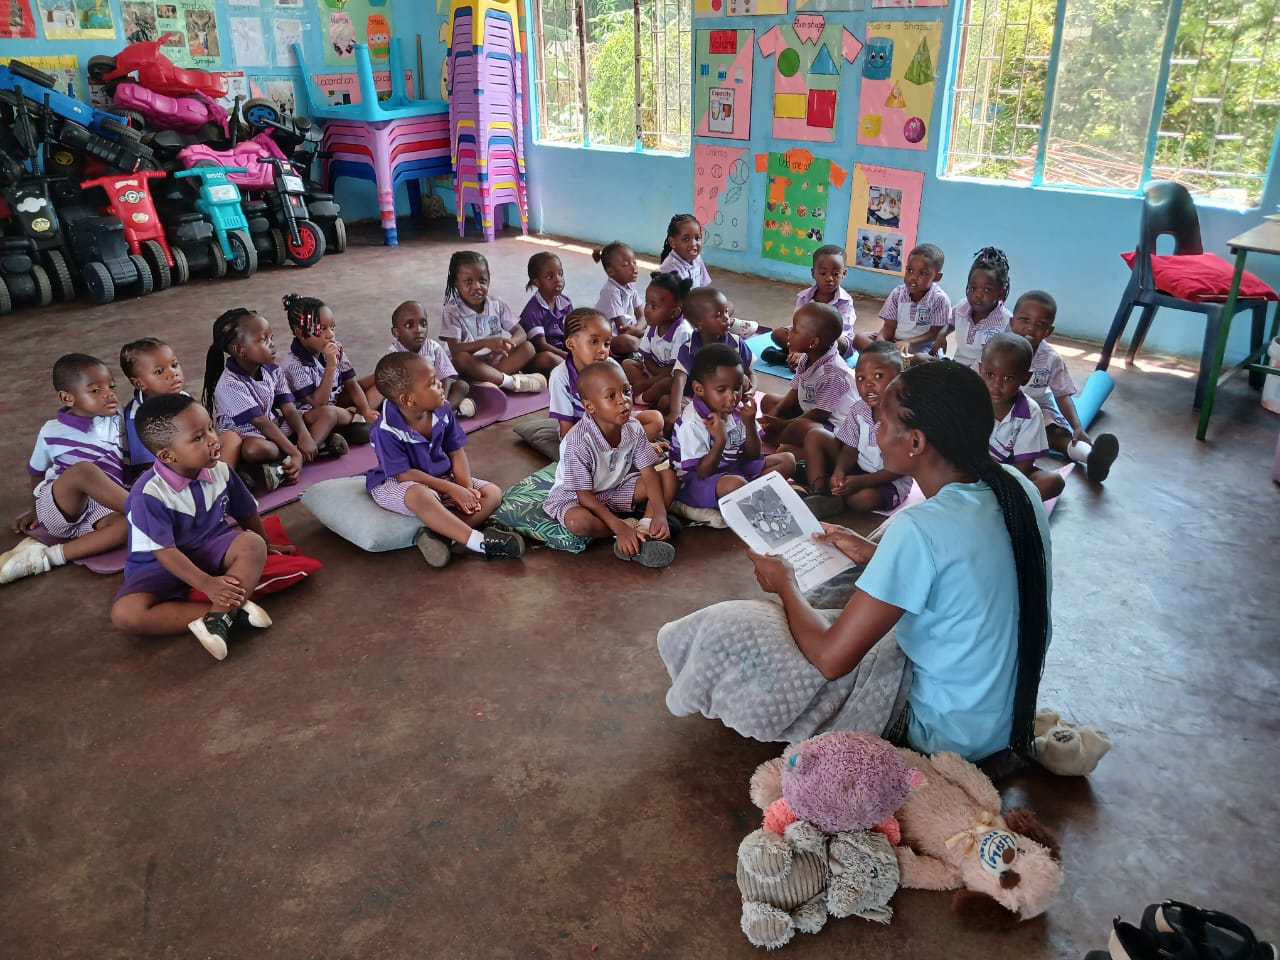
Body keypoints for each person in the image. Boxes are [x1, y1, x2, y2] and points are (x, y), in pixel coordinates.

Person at [657, 360, 1053, 764]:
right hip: (1001, 721)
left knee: (731, 626)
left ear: (916, 441)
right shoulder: (1017, 487)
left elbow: (831, 660)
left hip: (940, 732)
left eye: (881, 423)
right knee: (872, 550)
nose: (875, 434)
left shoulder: (923, 528)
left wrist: (785, 585)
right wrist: (873, 554)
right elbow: (957, 573)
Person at [108, 394, 288, 660]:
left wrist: (266, 543)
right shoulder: (148, 494)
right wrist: (207, 584)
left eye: (210, 429)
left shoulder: (221, 471)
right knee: (126, 615)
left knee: (252, 543)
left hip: (211, 547)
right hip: (160, 564)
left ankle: (219, 618)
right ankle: (229, 614)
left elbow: (246, 512)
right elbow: (164, 551)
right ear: (167, 455)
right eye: (199, 437)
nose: (214, 440)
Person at [367, 352, 524, 568]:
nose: (441, 385)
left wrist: (465, 488)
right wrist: (452, 489)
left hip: (440, 476)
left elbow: (455, 451)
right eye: (432, 383)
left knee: (492, 493)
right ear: (407, 399)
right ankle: (480, 543)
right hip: (397, 482)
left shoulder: (443, 409)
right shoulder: (385, 429)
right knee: (422, 495)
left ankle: (440, 537)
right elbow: (404, 474)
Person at [1, 353, 130, 583]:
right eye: (95, 390)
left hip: (102, 510)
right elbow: (36, 472)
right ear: (67, 398)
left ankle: (47, 558)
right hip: (63, 506)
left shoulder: (119, 419)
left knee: (125, 526)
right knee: (84, 471)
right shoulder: (51, 431)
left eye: (111, 386)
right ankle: (150, 512)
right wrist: (35, 511)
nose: (109, 393)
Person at [543, 361, 677, 568]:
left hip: (614, 490)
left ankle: (645, 528)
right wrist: (619, 527)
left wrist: (660, 512)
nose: (623, 400)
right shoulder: (578, 442)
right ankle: (625, 529)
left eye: (626, 391)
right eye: (611, 396)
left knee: (668, 477)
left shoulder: (633, 427)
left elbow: (648, 473)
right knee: (578, 523)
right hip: (577, 497)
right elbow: (584, 496)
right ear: (590, 406)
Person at [671, 343, 795, 526]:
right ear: (699, 389)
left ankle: (744, 499)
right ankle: (690, 506)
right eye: (721, 390)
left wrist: (749, 423)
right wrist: (720, 440)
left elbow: (753, 455)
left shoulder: (737, 409)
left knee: (787, 460)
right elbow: (703, 471)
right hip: (695, 481)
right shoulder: (692, 422)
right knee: (735, 484)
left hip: (733, 467)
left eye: (737, 388)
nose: (732, 397)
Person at [1009, 291, 1120, 484]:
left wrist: (1077, 427)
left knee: (1058, 435)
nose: (1031, 328)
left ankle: (1091, 458)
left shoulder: (1051, 358)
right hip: (1000, 406)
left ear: (1049, 331)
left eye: (1041, 324)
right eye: (1025, 320)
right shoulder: (997, 348)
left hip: (1036, 410)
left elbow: (1062, 394)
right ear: (1012, 322)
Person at [204, 307, 312, 491]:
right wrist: (295, 452)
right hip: (248, 437)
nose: (272, 344)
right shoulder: (229, 384)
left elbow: (288, 408)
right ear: (240, 350)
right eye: (263, 340)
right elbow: (261, 423)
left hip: (275, 427)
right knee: (256, 450)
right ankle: (304, 452)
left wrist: (304, 435)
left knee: (319, 415)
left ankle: (290, 458)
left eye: (271, 337)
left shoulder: (272, 370)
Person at [803, 341, 912, 516]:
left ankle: (836, 500)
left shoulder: (906, 418)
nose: (868, 384)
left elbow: (900, 469)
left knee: (862, 499)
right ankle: (819, 492)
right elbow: (849, 451)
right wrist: (839, 472)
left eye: (878, 376)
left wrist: (861, 482)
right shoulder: (859, 409)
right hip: (859, 468)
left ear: (899, 378)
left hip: (890, 479)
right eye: (861, 378)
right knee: (815, 435)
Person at [119, 337, 241, 474]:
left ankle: (222, 477)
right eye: (159, 371)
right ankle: (220, 478)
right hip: (174, 468)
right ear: (139, 383)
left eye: (174, 365)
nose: (173, 373)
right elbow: (148, 466)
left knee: (231, 438)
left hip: (198, 451)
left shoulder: (183, 396)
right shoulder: (135, 417)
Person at [279, 293, 379, 451]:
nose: (330, 334)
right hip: (312, 416)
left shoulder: (336, 347)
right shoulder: (292, 364)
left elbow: (351, 384)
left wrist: (366, 410)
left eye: (332, 327)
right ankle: (348, 424)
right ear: (299, 332)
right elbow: (319, 403)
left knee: (382, 378)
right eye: (322, 329)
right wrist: (331, 366)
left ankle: (341, 431)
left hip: (336, 402)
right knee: (333, 415)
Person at [441, 250, 550, 393]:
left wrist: (510, 344)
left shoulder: (496, 305)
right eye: (468, 282)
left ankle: (490, 382)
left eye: (482, 281)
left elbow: (521, 332)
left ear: (489, 279)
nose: (477, 286)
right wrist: (485, 343)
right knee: (460, 359)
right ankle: (511, 383)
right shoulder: (452, 311)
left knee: (528, 348)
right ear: (456, 283)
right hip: (470, 364)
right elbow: (455, 349)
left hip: (495, 362)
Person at [758, 303, 856, 457]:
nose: (789, 332)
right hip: (810, 410)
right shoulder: (807, 357)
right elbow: (795, 390)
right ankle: (789, 440)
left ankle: (777, 440)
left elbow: (821, 414)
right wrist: (775, 412)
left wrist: (783, 424)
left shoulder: (832, 372)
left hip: (835, 427)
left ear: (813, 343)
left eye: (795, 330)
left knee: (802, 426)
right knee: (768, 401)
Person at [979, 332, 1066, 501]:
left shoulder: (1031, 412)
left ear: (1025, 378)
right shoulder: (969, 399)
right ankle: (995, 502)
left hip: (1009, 474)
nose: (996, 385)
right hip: (970, 470)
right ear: (981, 369)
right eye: (990, 375)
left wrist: (999, 485)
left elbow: (1023, 467)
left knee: (1053, 481)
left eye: (1008, 378)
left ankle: (1001, 502)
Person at [667, 287, 754, 429]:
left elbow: (750, 373)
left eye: (726, 312)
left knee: (743, 379)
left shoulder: (736, 342)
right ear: (699, 323)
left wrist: (751, 391)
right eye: (718, 315)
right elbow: (679, 380)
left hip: (729, 399)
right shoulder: (689, 348)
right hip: (696, 399)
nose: (726, 318)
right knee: (666, 401)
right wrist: (674, 412)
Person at [764, 245, 867, 365]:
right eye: (823, 273)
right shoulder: (804, 297)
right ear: (813, 273)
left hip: (831, 342)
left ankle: (796, 358)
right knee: (778, 334)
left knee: (837, 342)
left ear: (843, 273)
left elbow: (840, 331)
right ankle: (799, 357)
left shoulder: (845, 301)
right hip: (806, 338)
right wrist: (795, 347)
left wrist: (804, 344)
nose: (829, 278)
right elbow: (797, 325)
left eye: (835, 274)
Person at [659, 213, 757, 337]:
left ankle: (721, 324)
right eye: (686, 239)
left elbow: (703, 289)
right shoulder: (672, 268)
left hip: (695, 308)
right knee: (715, 313)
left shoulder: (696, 259)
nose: (693, 244)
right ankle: (728, 324)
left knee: (727, 305)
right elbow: (678, 306)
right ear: (672, 242)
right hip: (679, 315)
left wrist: (713, 305)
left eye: (697, 238)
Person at [378, 300, 473, 417]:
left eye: (423, 324)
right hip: (413, 398)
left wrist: (442, 398)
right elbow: (395, 388)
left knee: (462, 386)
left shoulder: (434, 348)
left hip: (437, 391)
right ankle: (446, 413)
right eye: (409, 326)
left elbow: (445, 376)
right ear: (396, 332)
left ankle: (442, 412)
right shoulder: (393, 354)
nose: (419, 330)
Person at [622, 271, 693, 415]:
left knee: (666, 384)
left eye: (654, 307)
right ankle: (649, 396)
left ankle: (641, 398)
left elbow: (675, 372)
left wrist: (647, 383)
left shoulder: (682, 332)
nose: (647, 310)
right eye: (647, 303)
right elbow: (647, 358)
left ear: (674, 312)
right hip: (656, 371)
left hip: (676, 378)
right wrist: (653, 376)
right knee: (627, 364)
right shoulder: (654, 324)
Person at [938, 247, 1014, 368]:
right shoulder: (962, 307)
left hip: (984, 373)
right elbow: (951, 322)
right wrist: (942, 334)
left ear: (1001, 293)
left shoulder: (1007, 322)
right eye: (973, 288)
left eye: (987, 290)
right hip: (957, 367)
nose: (978, 295)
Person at [875, 243, 951, 355]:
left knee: (920, 357)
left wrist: (908, 342)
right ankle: (892, 357)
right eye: (910, 270)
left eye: (923, 273)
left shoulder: (940, 299)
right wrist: (879, 341)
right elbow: (888, 327)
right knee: (861, 338)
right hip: (894, 342)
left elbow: (935, 334)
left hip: (921, 346)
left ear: (937, 277)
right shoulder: (897, 293)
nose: (913, 277)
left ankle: (895, 358)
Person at [592, 241, 646, 359]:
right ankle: (648, 349)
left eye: (634, 262)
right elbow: (623, 330)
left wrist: (638, 330)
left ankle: (645, 346)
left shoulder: (630, 285)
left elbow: (643, 316)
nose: (634, 268)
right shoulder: (611, 291)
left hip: (631, 331)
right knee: (627, 341)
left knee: (657, 323)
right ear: (611, 271)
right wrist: (641, 332)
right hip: (608, 340)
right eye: (626, 265)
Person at [519, 251, 572, 363]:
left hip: (562, 350)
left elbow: (572, 332)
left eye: (560, 274)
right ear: (537, 282)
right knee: (549, 358)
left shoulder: (565, 302)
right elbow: (541, 346)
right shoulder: (532, 311)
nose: (558, 279)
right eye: (550, 276)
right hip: (538, 357)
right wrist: (567, 356)